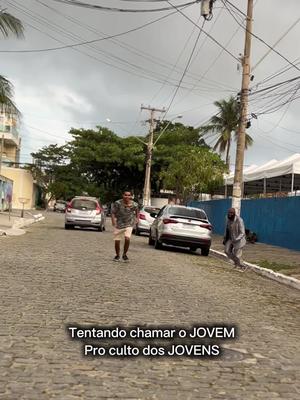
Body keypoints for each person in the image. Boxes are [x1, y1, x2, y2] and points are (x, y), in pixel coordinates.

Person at [111, 191, 139, 262]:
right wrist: (113, 220)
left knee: (127, 238)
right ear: (123, 195)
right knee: (117, 241)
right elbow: (113, 212)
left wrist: (137, 219)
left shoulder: (134, 204)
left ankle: (124, 254)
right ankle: (117, 255)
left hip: (129, 223)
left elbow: (137, 211)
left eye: (129, 195)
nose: (127, 197)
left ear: (131, 196)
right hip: (119, 224)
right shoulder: (117, 203)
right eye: (125, 195)